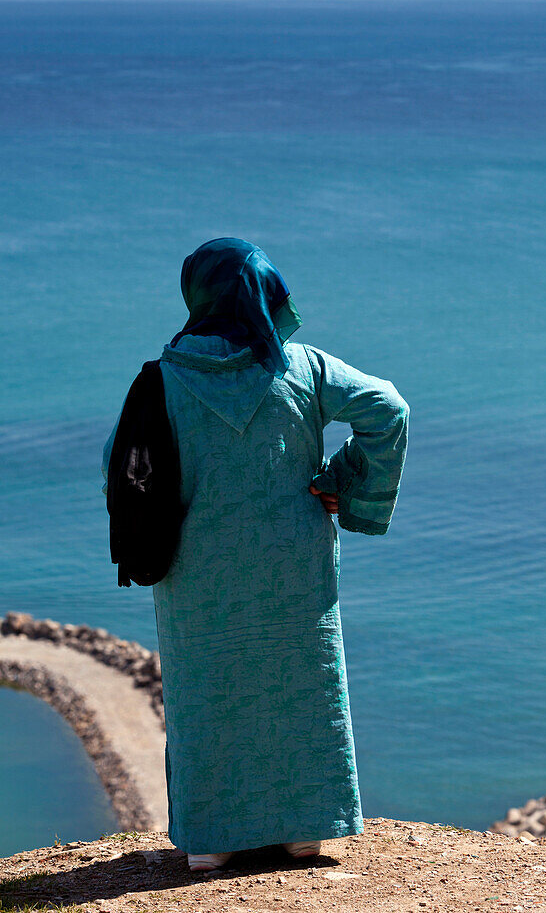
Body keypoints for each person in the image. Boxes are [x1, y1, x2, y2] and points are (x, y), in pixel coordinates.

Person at [102, 237, 409, 873]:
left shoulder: (160, 381)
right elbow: (388, 410)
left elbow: (118, 465)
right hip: (294, 565)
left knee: (205, 694)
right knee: (300, 687)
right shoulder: (301, 367)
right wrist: (344, 483)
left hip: (196, 572)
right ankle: (304, 832)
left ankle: (211, 841)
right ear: (267, 293)